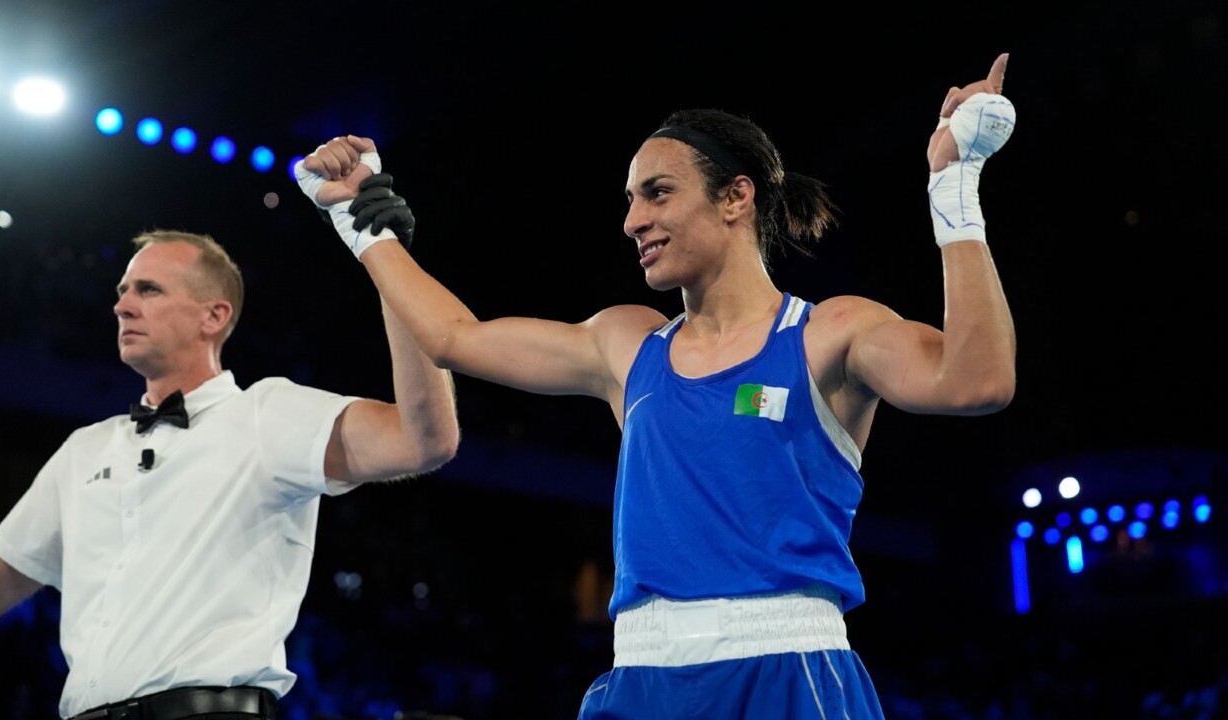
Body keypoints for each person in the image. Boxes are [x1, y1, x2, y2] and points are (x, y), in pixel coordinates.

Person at [295, 52, 1017, 719]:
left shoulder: (832, 333)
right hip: (639, 674)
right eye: (632, 199)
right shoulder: (626, 345)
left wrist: (954, 184)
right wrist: (363, 225)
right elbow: (455, 337)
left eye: (658, 194)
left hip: (785, 668)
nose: (633, 219)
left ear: (736, 197)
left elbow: (977, 379)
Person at [0, 229, 460, 719]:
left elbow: (423, 440)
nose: (122, 305)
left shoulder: (266, 416)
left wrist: (390, 264)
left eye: (148, 289)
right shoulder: (84, 449)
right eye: (123, 291)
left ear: (214, 316)